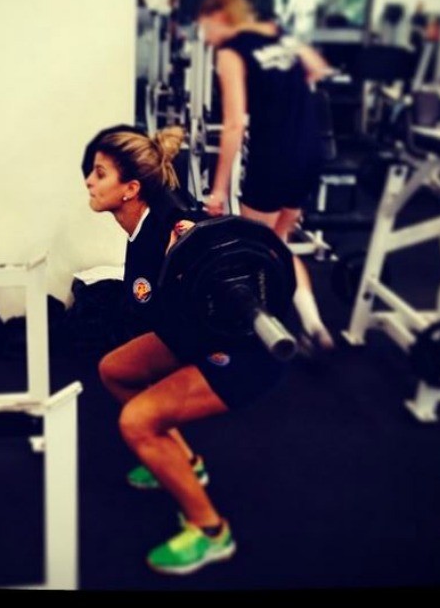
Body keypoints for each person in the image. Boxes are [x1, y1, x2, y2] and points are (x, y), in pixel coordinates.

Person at [83, 124, 290, 574]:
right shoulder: (143, 223)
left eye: (100, 174)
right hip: (193, 332)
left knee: (136, 422)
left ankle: (211, 530)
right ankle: (187, 461)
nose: (89, 181)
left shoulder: (175, 228)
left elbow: (241, 270)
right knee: (115, 371)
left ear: (130, 189)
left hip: (243, 352)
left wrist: (197, 253)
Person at [197, 0, 335, 355]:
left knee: (254, 250)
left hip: (273, 158)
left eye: (206, 26)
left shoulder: (231, 52)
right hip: (310, 151)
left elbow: (233, 126)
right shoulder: (280, 36)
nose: (206, 37)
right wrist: (286, 90)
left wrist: (219, 189)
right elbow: (318, 68)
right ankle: (315, 327)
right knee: (280, 241)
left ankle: (260, 333)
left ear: (222, 16)